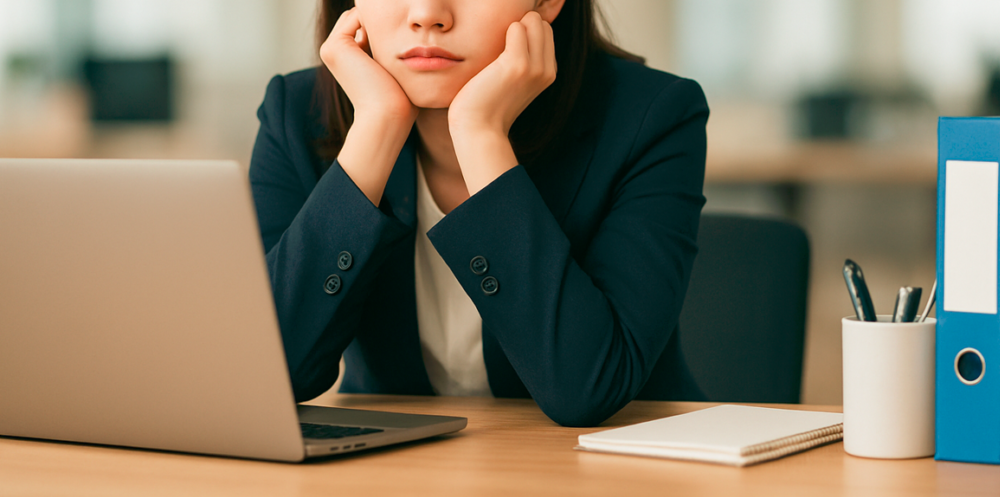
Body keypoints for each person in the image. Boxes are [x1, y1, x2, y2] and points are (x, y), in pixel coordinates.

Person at [249, 0, 709, 427]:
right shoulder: (294, 112)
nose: (427, 13)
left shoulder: (654, 114)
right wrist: (376, 127)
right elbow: (263, 377)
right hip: (396, 467)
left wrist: (480, 133)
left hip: (615, 467)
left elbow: (587, 389)